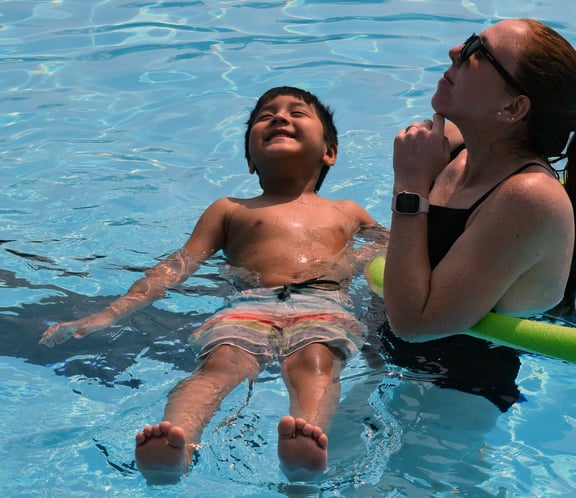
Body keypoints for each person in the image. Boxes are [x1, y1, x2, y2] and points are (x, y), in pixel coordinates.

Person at [40, 86, 382, 483]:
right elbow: (177, 266)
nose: (279, 118)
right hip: (249, 306)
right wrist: (109, 313)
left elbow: (393, 259)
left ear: (329, 152)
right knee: (217, 369)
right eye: (265, 115)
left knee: (316, 362)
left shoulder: (348, 211)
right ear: (250, 161)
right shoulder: (230, 209)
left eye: (296, 113)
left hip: (323, 302)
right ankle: (178, 444)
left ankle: (305, 448)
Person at [380, 19, 576, 409]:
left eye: (476, 52)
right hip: (386, 361)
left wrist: (410, 188)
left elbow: (415, 325)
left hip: (459, 396)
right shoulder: (451, 150)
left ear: (513, 108)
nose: (455, 52)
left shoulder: (528, 198)